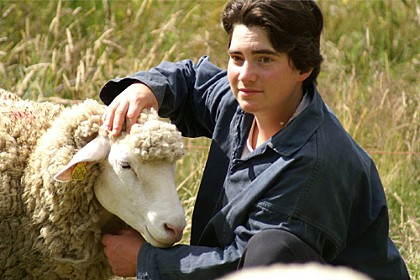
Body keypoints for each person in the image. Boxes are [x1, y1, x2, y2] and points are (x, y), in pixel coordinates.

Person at [99, 1, 409, 279]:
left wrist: (146, 260)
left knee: (271, 248)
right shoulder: (244, 101)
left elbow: (244, 264)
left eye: (264, 60)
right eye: (237, 57)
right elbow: (192, 79)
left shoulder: (313, 163)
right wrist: (147, 88)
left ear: (304, 67)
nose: (245, 75)